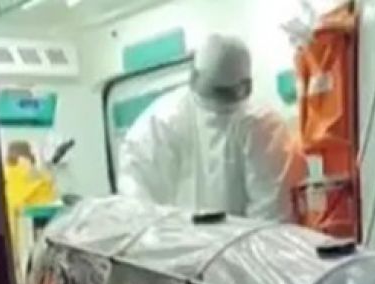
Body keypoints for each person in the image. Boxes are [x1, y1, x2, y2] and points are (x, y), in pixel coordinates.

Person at [116, 34, 298, 222]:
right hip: (174, 237)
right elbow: (138, 207)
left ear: (247, 86)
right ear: (193, 78)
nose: (220, 101)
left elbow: (271, 214)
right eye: (216, 91)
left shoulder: (262, 126)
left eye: (229, 92)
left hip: (243, 239)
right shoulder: (159, 124)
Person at [3, 140, 58, 273]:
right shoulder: (36, 177)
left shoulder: (3, 175)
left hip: (10, 239)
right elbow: (50, 197)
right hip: (33, 235)